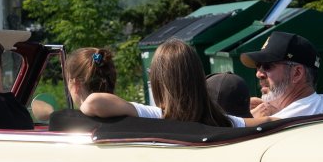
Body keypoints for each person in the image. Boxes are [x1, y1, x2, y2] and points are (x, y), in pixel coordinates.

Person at [81, 39, 241, 128]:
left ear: (159, 82)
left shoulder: (157, 117)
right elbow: (261, 123)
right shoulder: (224, 122)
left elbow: (93, 102)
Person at [240, 31, 323, 119]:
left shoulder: (270, 124)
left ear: (297, 73)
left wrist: (249, 118)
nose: (259, 74)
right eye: (258, 66)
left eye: (267, 66)